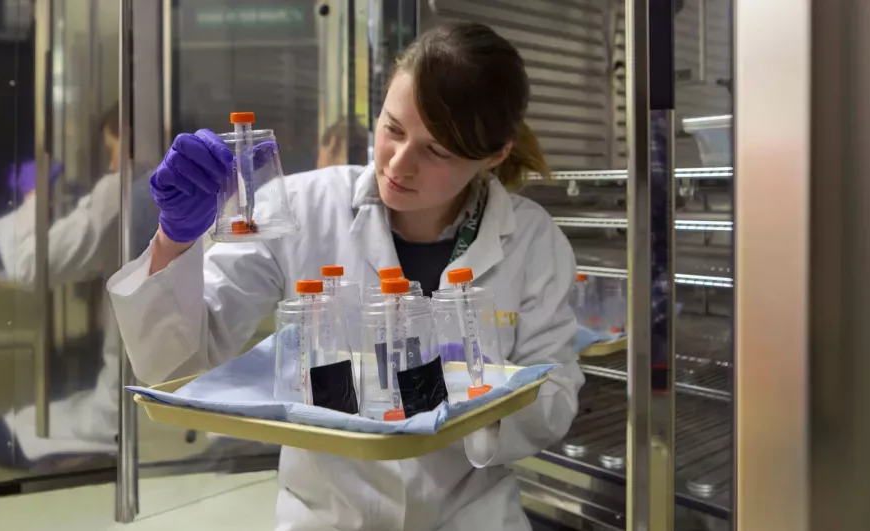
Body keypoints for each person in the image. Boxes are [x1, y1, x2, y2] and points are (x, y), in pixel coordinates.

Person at [108, 22, 585, 530]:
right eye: (393, 129)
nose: (399, 164)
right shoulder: (300, 207)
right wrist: (175, 240)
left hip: (473, 516)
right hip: (327, 517)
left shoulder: (532, 240)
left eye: (437, 151)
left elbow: (554, 398)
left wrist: (473, 400)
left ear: (494, 156)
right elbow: (180, 367)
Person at [0, 104, 159, 473]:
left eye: (113, 150)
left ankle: (93, 460)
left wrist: (33, 197)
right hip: (169, 393)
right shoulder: (190, 188)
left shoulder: (124, 190)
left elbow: (31, 265)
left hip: (130, 409)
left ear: (129, 141)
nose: (112, 165)